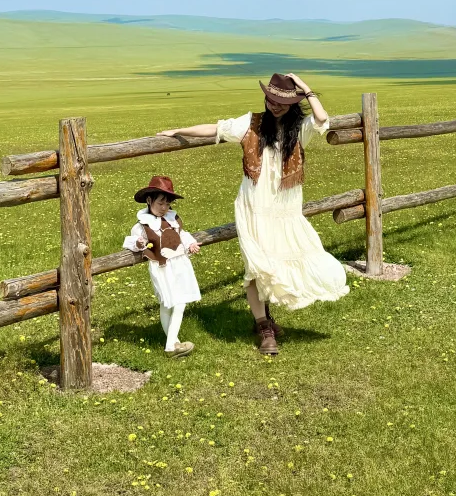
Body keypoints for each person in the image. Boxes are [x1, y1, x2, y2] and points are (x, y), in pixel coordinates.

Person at [160, 72, 347, 356]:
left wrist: (307, 90)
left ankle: (266, 319)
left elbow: (321, 118)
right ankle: (264, 326)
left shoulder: (301, 128)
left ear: (294, 102)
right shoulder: (251, 123)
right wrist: (178, 130)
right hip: (252, 208)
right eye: (271, 99)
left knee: (293, 257)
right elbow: (215, 128)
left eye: (282, 101)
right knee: (256, 266)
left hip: (285, 209)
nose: (274, 105)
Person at [122, 175, 202, 358]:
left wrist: (190, 243)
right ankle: (172, 345)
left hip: (180, 264)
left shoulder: (173, 219)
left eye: (168, 204)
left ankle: (172, 343)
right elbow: (132, 241)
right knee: (168, 304)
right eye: (160, 204)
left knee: (180, 302)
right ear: (149, 201)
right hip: (162, 267)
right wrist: (140, 243)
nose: (164, 208)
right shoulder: (142, 224)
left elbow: (182, 234)